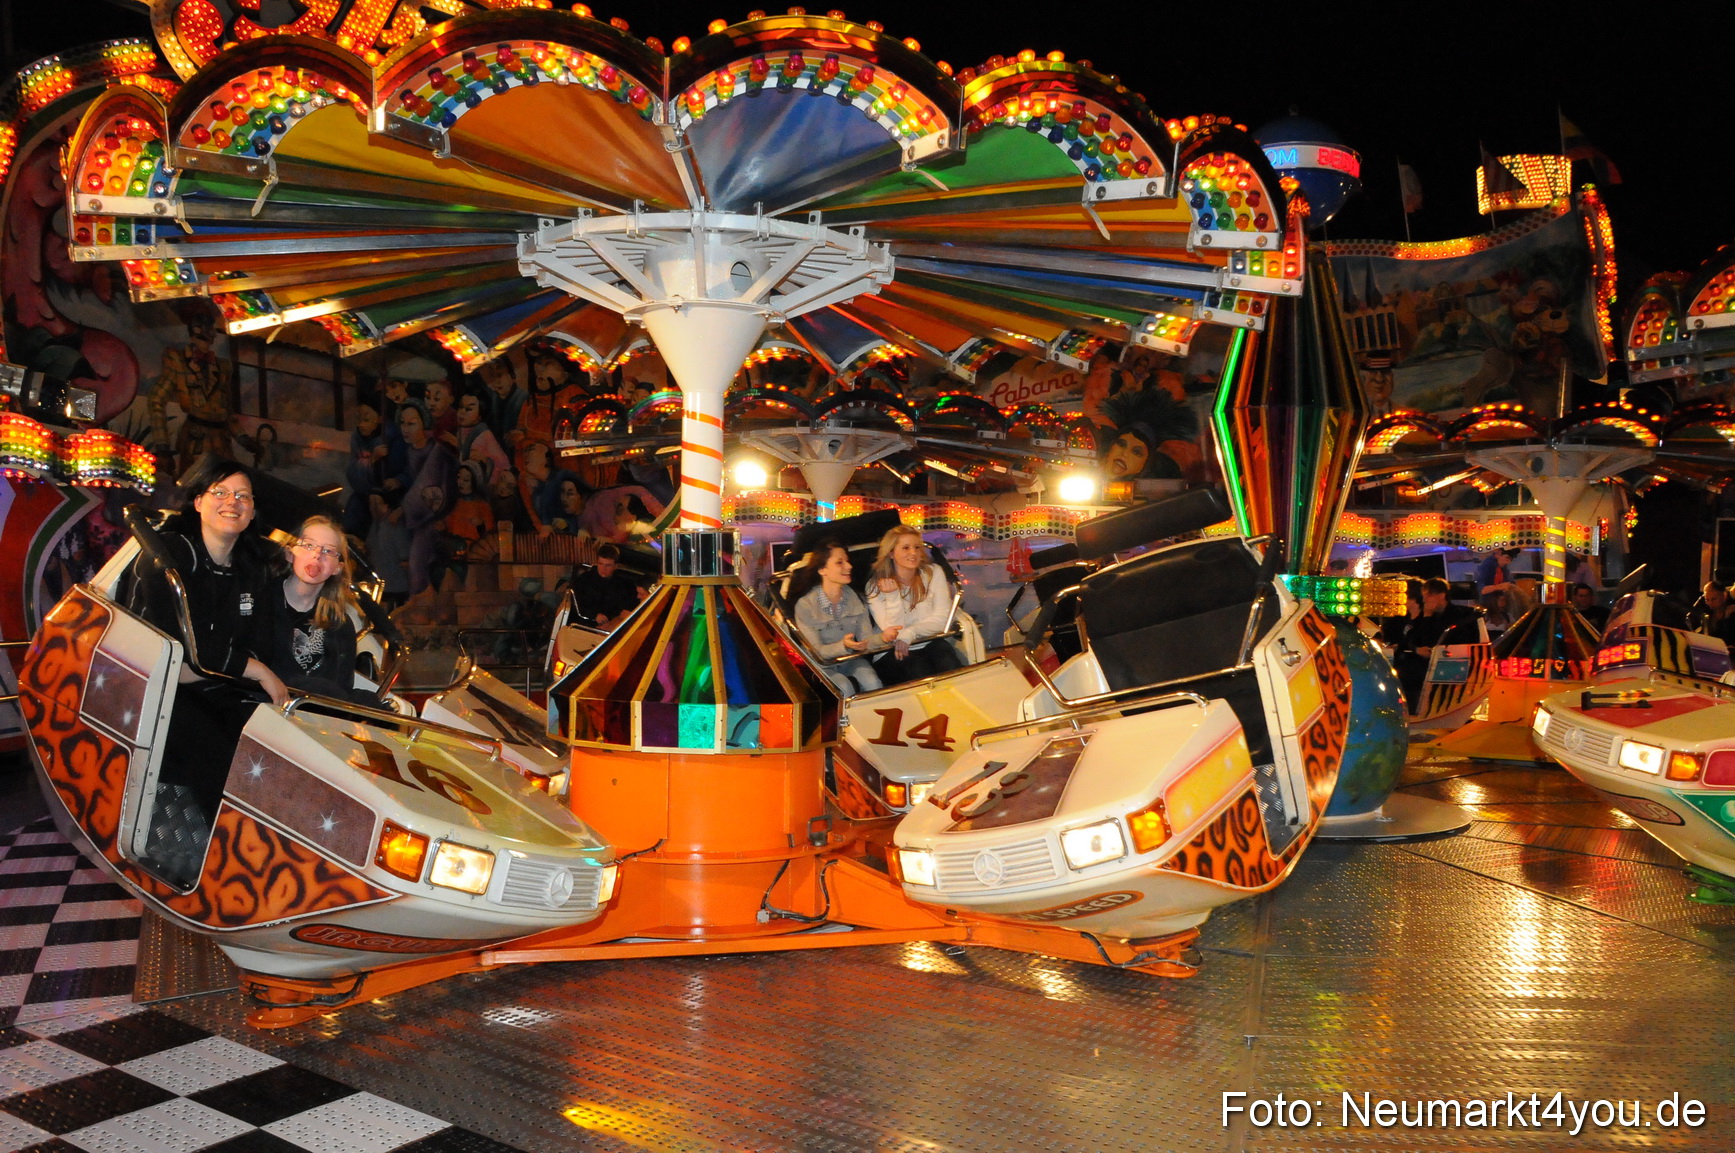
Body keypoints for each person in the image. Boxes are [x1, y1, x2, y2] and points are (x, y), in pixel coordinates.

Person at [126, 459, 287, 838]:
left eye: (243, 496)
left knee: (283, 738)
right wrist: (257, 670)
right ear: (198, 502)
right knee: (225, 749)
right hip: (157, 690)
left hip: (213, 684)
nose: (232, 501)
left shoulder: (247, 570)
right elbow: (177, 653)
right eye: (220, 492)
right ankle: (227, 851)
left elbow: (256, 642)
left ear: (251, 514)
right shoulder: (168, 557)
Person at [263, 516, 370, 702]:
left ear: (338, 568)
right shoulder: (261, 602)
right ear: (290, 553)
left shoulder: (341, 624)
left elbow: (341, 690)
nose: (317, 555)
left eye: (329, 551)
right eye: (308, 545)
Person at [788, 540, 893, 695]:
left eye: (847, 561)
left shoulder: (856, 600)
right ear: (822, 569)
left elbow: (867, 640)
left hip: (850, 659)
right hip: (821, 664)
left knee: (874, 684)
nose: (849, 566)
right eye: (840, 563)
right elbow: (817, 651)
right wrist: (844, 645)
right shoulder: (806, 606)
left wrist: (883, 638)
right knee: (844, 688)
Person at [867, 524, 963, 683]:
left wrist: (910, 633)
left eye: (917, 547)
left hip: (928, 640)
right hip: (890, 650)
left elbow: (942, 619)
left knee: (950, 664)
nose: (913, 553)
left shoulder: (933, 573)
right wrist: (892, 597)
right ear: (891, 553)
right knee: (918, 670)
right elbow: (893, 632)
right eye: (905, 548)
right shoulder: (874, 586)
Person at [1390, 578, 1481, 711]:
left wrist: (1428, 617)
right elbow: (1410, 638)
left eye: (1429, 595)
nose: (1425, 599)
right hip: (1425, 662)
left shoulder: (1458, 616)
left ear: (1442, 595)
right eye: (1424, 595)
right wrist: (1416, 649)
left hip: (1446, 663)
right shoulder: (1426, 615)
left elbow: (1433, 641)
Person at [573, 543, 644, 628]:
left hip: (613, 626)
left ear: (616, 566)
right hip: (585, 623)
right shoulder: (585, 579)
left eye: (608, 565)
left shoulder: (625, 584)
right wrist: (594, 615)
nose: (603, 569)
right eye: (600, 564)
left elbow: (628, 607)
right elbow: (576, 602)